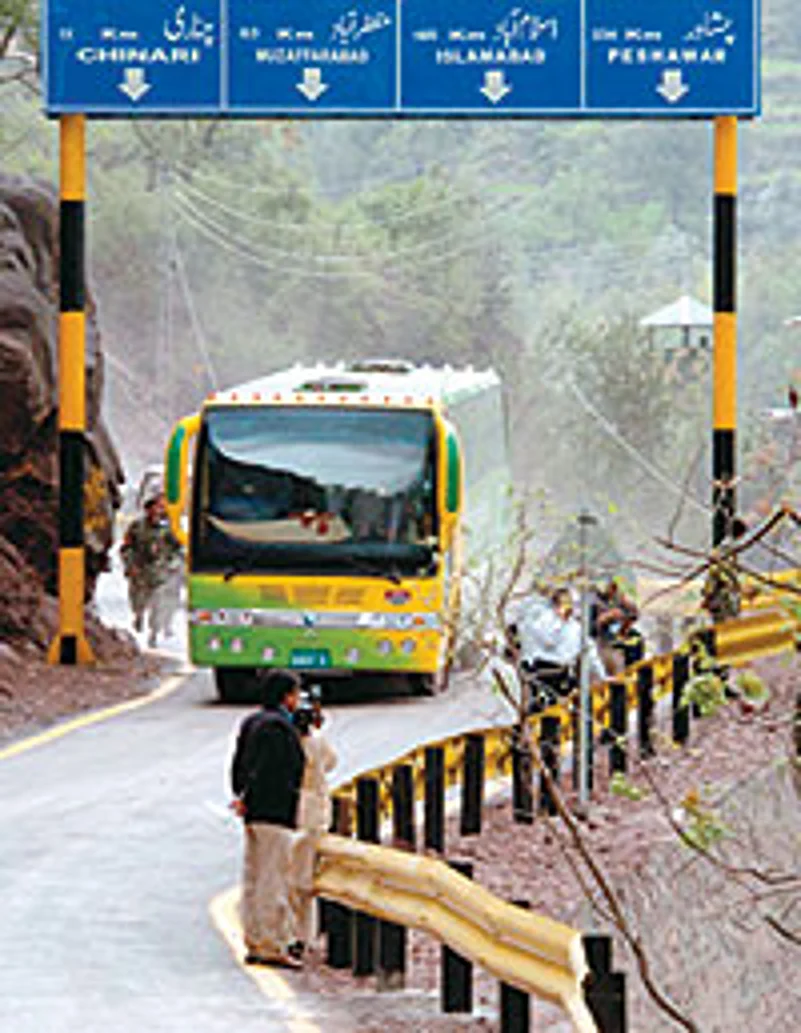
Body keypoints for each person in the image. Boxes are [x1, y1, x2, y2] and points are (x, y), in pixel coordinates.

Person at [230, 670, 306, 968]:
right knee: (273, 880)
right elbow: (271, 770)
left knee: (254, 877)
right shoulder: (279, 729)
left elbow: (239, 765)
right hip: (274, 811)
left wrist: (241, 796)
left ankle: (254, 939)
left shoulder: (252, 722)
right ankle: (271, 944)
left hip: (253, 813)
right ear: (287, 697)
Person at [292, 689, 338, 952]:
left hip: (293, 813)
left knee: (290, 879)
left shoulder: (288, 743)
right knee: (305, 880)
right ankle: (304, 935)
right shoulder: (318, 743)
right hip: (315, 815)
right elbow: (331, 763)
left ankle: (292, 935)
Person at [514, 587, 606, 712]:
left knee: (577, 704)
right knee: (543, 708)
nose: (567, 608)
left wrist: (602, 676)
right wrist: (559, 623)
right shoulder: (543, 621)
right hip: (543, 671)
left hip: (565, 674)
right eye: (563, 604)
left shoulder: (576, 628)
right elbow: (547, 640)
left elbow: (590, 651)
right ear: (555, 605)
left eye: (569, 604)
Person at [121, 491, 183, 647]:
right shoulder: (137, 527)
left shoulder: (169, 529)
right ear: (148, 509)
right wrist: (130, 565)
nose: (158, 511)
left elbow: (178, 549)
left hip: (160, 572)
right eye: (155, 507)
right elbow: (127, 548)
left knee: (159, 604)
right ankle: (138, 616)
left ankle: (154, 633)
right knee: (138, 601)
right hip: (140, 572)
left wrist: (173, 565)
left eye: (161, 507)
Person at [590, 577, 639, 674]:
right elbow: (588, 630)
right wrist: (603, 619)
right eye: (611, 587)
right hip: (601, 644)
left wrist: (628, 609)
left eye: (615, 588)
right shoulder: (593, 602)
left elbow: (634, 615)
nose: (614, 591)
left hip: (617, 640)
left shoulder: (619, 599)